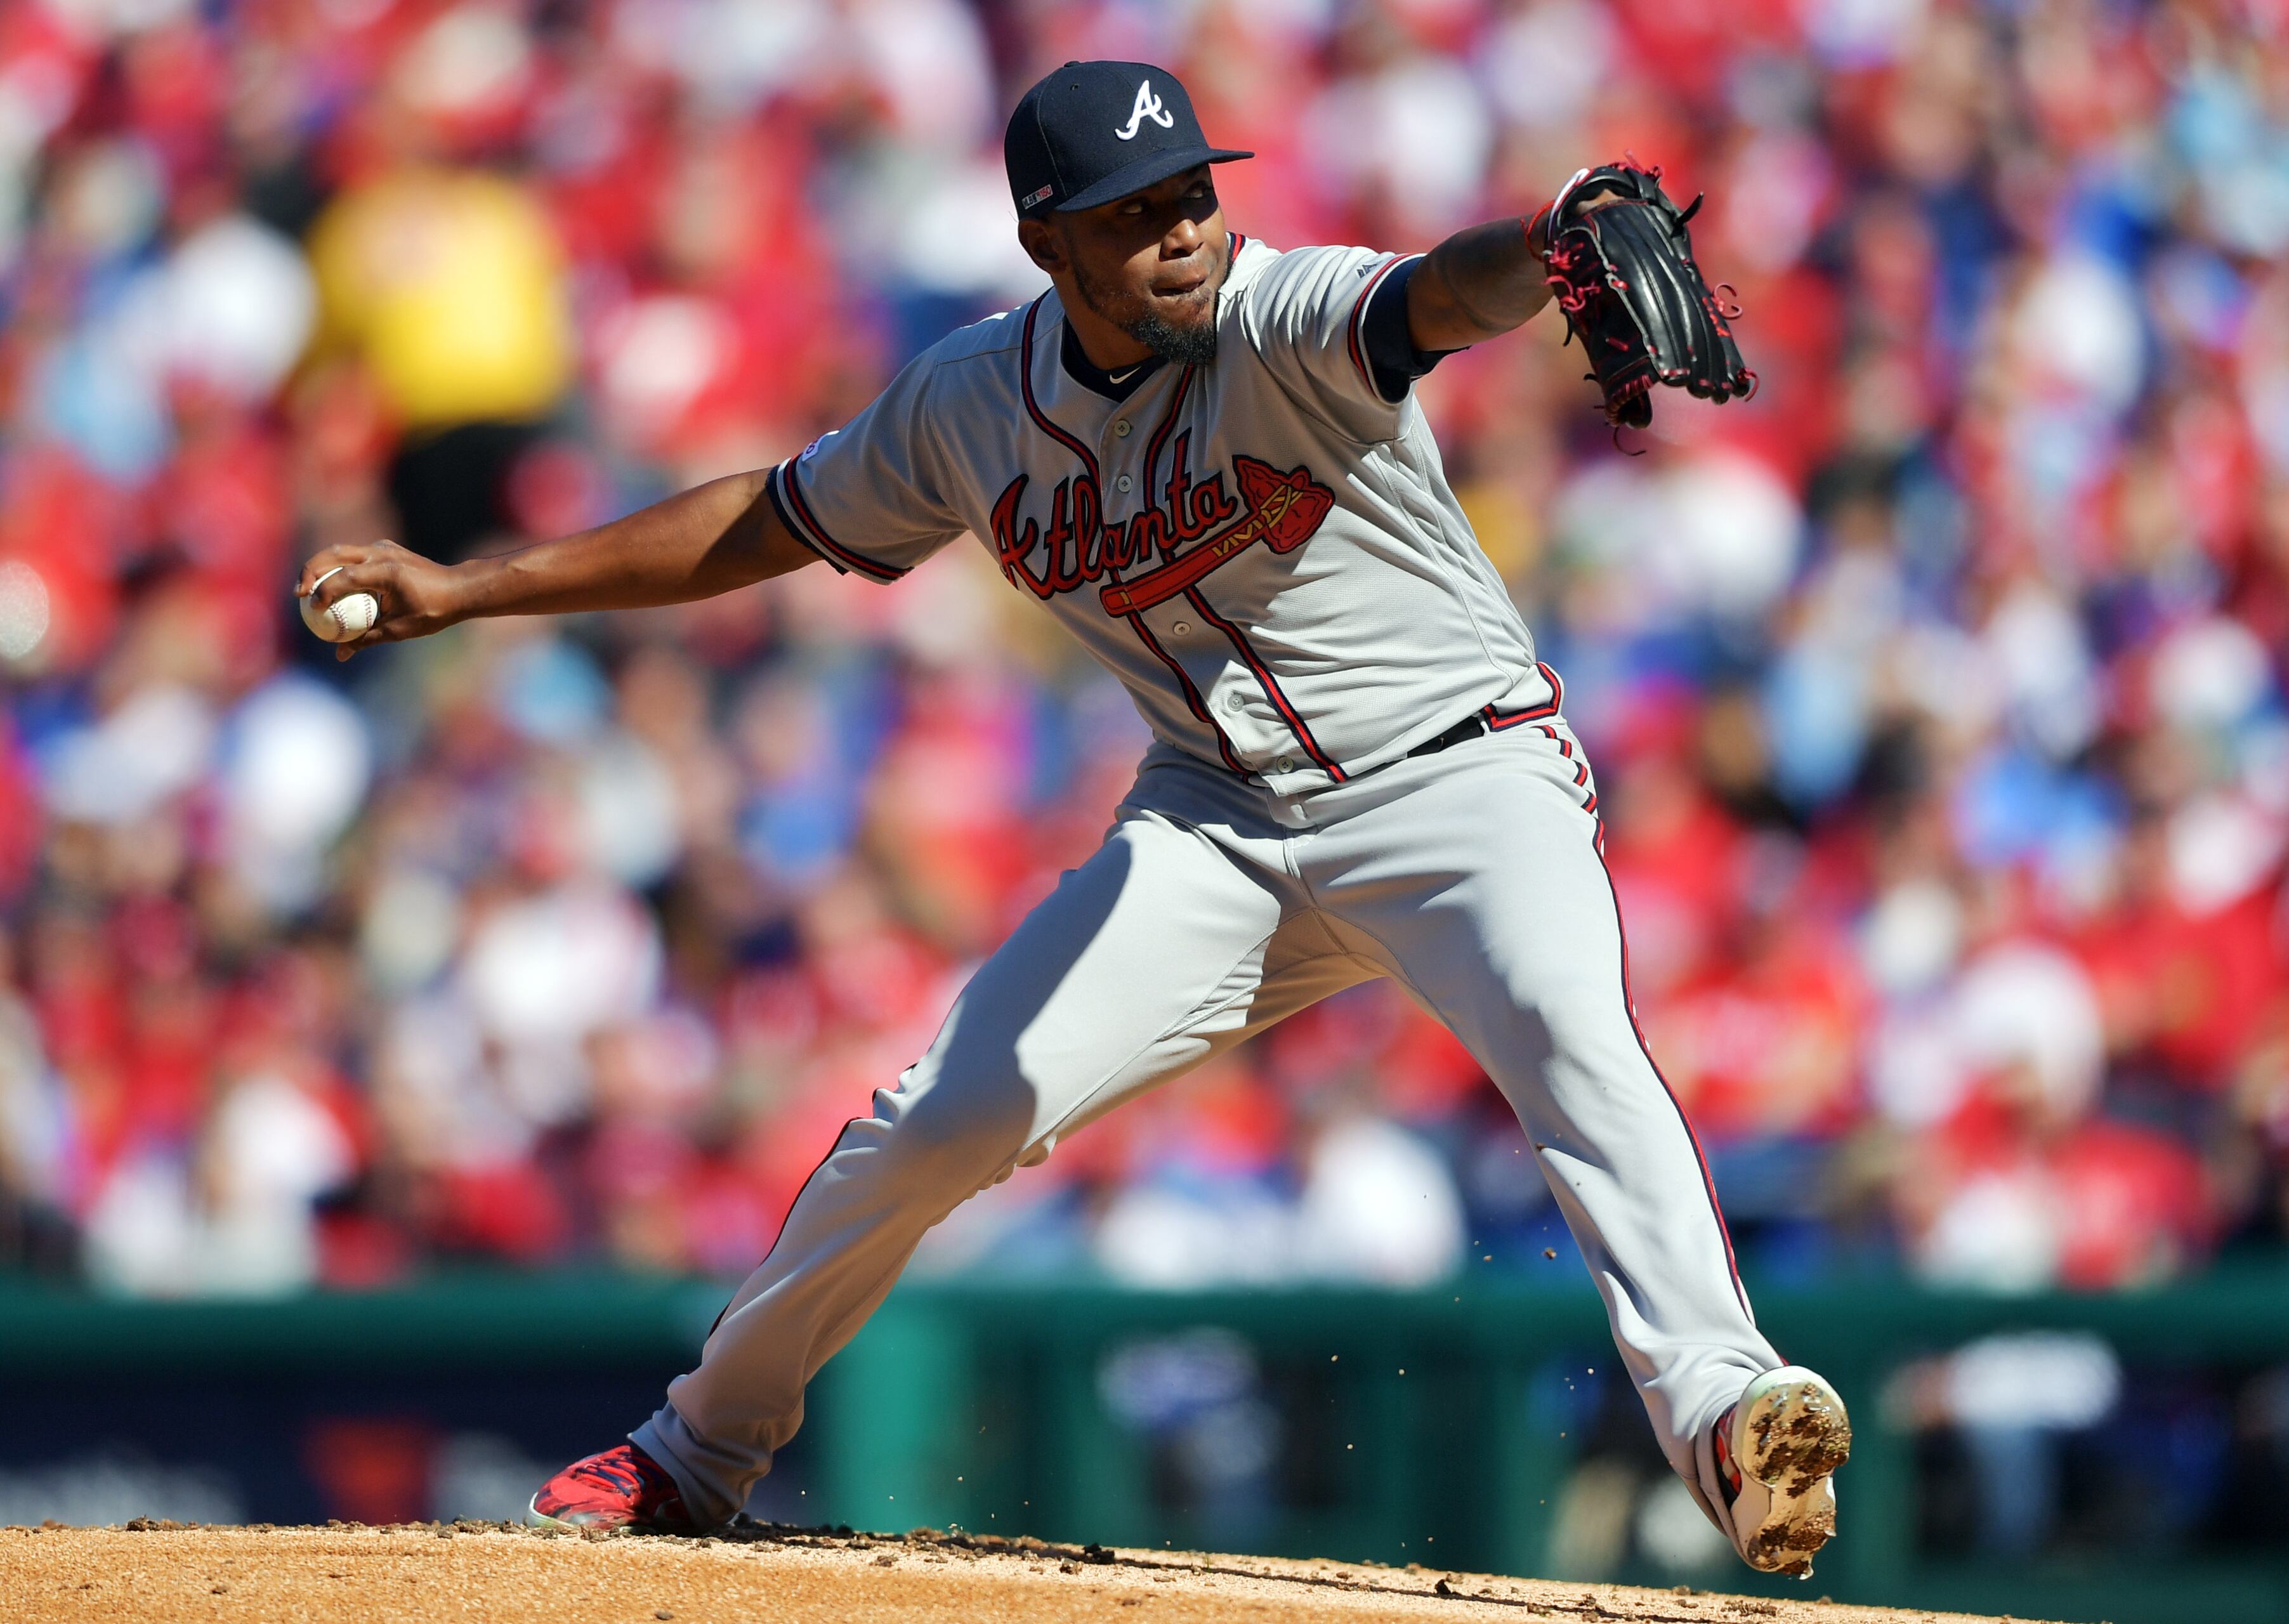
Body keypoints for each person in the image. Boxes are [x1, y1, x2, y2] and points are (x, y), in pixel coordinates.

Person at [296, 61, 1849, 1578]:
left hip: (1458, 776)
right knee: (938, 1117)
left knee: (1578, 1041)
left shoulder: (1283, 309)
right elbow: (762, 520)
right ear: (1047, 239)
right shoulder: (974, 403)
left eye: (1191, 195)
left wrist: (1545, 238)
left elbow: (1439, 294)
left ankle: (1727, 1405)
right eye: (1133, 212)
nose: (1181, 230)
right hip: (1216, 823)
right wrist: (476, 585)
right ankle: (697, 1449)